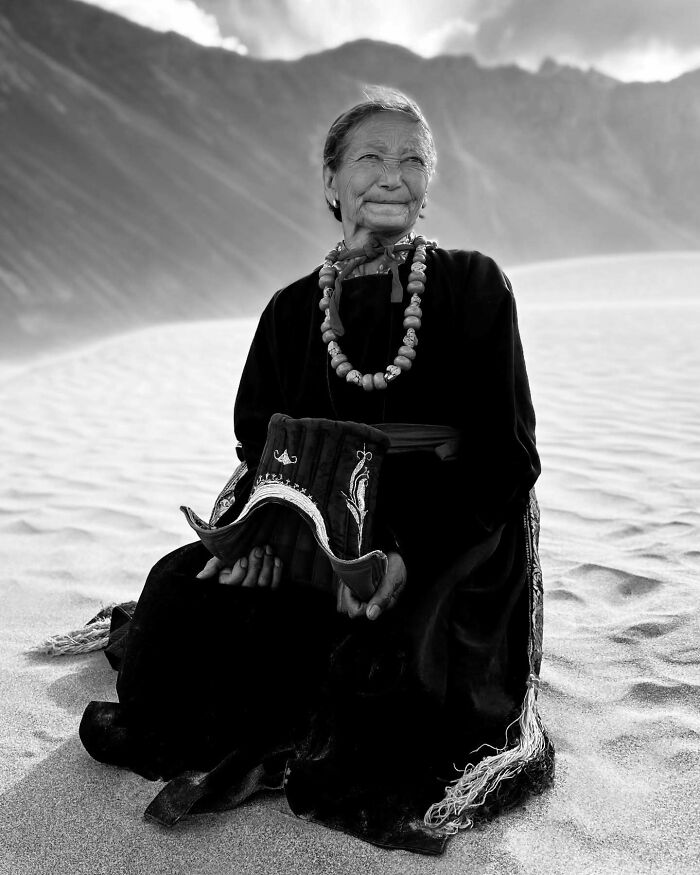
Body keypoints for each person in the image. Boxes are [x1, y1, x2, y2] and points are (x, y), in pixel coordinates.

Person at [79, 87, 554, 855]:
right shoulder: (291, 308)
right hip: (310, 517)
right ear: (331, 182)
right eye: (370, 156)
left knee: (380, 666)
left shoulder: (474, 285)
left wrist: (402, 558)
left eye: (412, 160)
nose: (392, 175)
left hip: (443, 523)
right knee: (173, 601)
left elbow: (508, 456)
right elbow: (255, 441)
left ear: (430, 184)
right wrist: (267, 538)